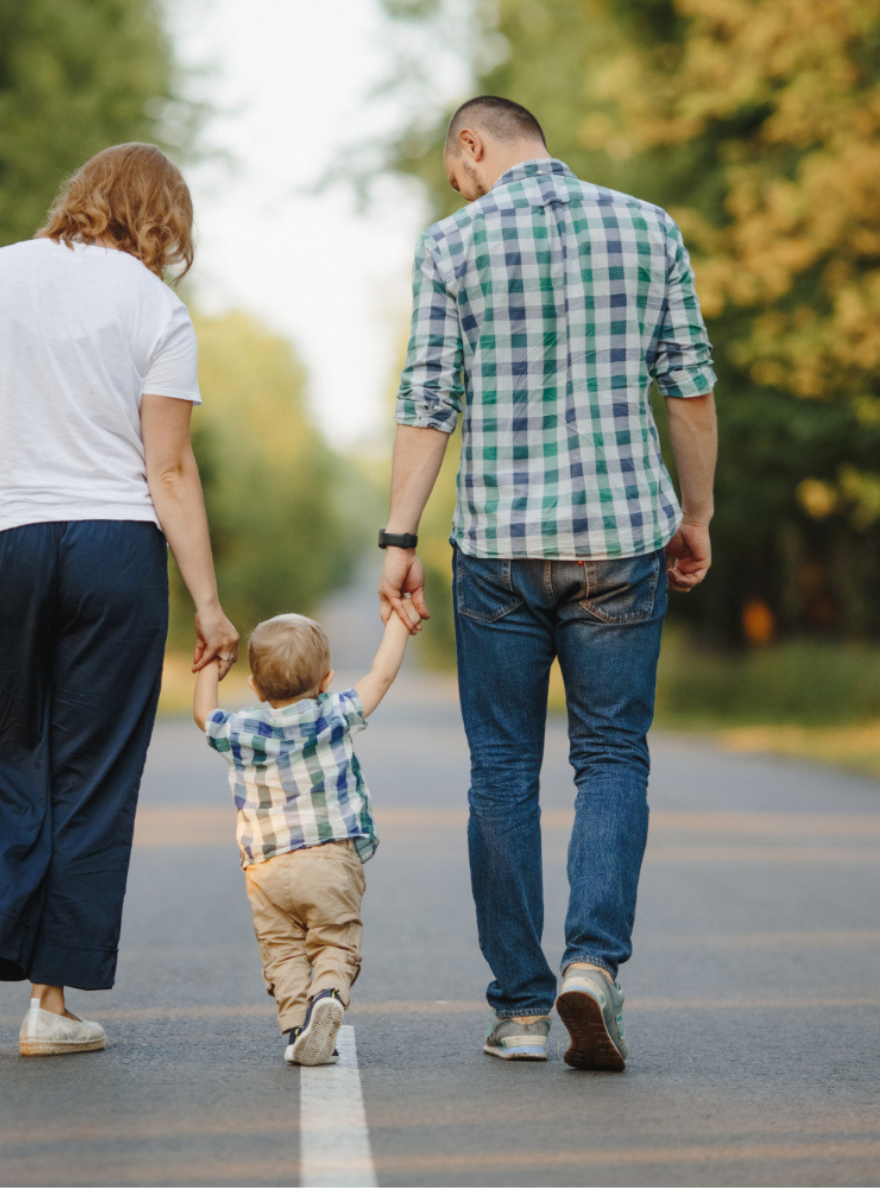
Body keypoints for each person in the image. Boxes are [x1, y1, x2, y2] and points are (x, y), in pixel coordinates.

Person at [378, 97, 717, 1071]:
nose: (462, 186)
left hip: (499, 547)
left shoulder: (452, 244)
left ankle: (523, 1010)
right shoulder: (649, 227)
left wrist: (399, 534)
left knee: (501, 771)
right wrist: (692, 517)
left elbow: (427, 395)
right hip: (620, 542)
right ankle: (592, 966)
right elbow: (688, 387)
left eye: (459, 169)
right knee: (610, 757)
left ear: (473, 145)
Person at [0, 143, 239, 1057]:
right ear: (163, 223)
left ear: (80, 197)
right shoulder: (158, 307)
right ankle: (50, 1007)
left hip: (5, 541)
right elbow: (168, 468)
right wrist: (208, 603)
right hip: (116, 549)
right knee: (91, 775)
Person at [195, 610, 417, 1065]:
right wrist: (398, 621)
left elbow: (203, 714)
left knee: (282, 951)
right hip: (330, 858)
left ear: (256, 688)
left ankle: (299, 1026)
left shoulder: (243, 730)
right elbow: (382, 675)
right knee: (334, 939)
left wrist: (211, 667)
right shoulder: (333, 713)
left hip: (266, 869)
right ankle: (328, 994)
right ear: (326, 680)